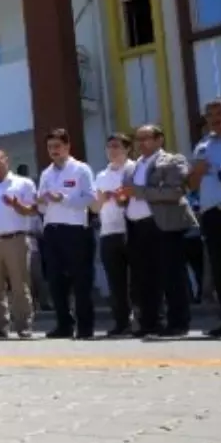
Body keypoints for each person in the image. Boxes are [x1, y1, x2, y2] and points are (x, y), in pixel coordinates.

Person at [122, 124, 195, 337]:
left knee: (171, 275)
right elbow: (132, 193)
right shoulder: (135, 166)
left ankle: (178, 323)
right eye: (138, 139)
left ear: (159, 140)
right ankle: (151, 322)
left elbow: (175, 192)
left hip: (163, 225)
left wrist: (139, 192)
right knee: (144, 278)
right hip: (137, 227)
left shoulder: (173, 160)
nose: (141, 143)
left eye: (146, 138)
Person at [36, 128, 96, 339]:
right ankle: (64, 324)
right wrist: (42, 201)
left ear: (67, 146)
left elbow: (90, 198)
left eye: (57, 146)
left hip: (75, 230)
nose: (54, 151)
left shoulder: (81, 169)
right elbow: (42, 207)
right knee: (55, 280)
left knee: (81, 280)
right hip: (52, 230)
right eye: (50, 147)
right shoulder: (46, 173)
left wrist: (63, 198)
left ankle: (85, 327)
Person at [0, 150, 38, 339]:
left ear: (6, 161)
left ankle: (23, 325)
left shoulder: (23, 183)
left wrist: (16, 205)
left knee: (20, 285)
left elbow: (33, 210)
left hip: (15, 239)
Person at [91, 133, 135, 337]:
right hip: (108, 232)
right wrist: (102, 198)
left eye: (117, 146)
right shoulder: (101, 175)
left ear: (127, 149)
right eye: (109, 147)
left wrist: (122, 197)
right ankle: (121, 322)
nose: (112, 150)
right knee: (115, 282)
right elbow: (94, 207)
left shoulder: (134, 169)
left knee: (139, 279)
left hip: (132, 229)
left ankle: (146, 320)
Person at [190, 99, 221, 338]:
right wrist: (197, 173)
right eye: (210, 115)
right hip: (212, 213)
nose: (214, 118)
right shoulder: (203, 145)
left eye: (219, 113)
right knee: (220, 269)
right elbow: (192, 185)